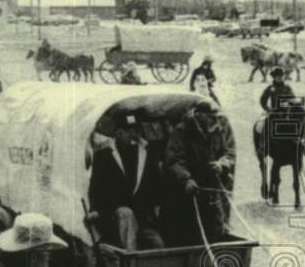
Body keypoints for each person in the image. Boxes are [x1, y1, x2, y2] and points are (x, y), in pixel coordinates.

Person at [87, 112, 164, 250]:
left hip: (142, 218)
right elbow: (96, 187)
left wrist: (155, 208)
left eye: (134, 130)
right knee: (125, 213)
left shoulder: (144, 154)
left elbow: (155, 184)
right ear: (118, 133)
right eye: (127, 131)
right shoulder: (104, 156)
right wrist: (95, 209)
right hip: (113, 217)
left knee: (157, 244)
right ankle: (131, 260)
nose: (132, 135)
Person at [163, 99, 235, 244]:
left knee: (215, 232)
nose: (213, 121)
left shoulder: (217, 130)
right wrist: (186, 179)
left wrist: (222, 164)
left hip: (211, 194)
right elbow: (174, 160)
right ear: (200, 115)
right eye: (210, 117)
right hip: (186, 194)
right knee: (189, 235)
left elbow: (228, 153)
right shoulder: (182, 131)